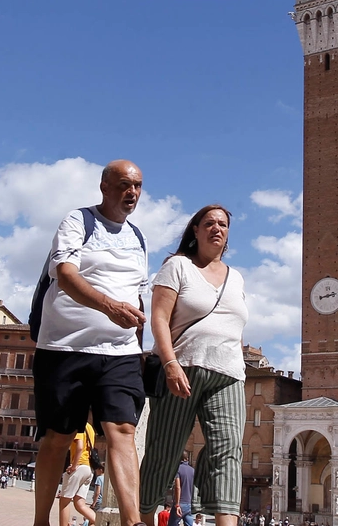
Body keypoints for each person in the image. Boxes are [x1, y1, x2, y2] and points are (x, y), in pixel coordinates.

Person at [32, 161, 148, 526]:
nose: (132, 192)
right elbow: (64, 274)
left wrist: (142, 345)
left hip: (121, 351)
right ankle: (41, 522)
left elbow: (139, 295)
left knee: (123, 430)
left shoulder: (139, 238)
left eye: (138, 186)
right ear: (104, 186)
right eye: (124, 184)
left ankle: (131, 521)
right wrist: (109, 306)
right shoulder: (77, 221)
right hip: (66, 348)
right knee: (58, 436)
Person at [140, 206, 248, 526]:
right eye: (210, 223)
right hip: (183, 367)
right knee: (164, 453)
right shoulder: (178, 266)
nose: (217, 228)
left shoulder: (237, 277)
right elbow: (159, 318)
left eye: (223, 225)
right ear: (196, 230)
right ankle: (144, 519)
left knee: (227, 453)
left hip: (229, 374)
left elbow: (234, 325)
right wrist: (170, 363)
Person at [59, 426, 96, 526]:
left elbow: (80, 446)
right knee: (80, 504)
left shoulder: (78, 424)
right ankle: (99, 522)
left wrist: (74, 466)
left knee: (64, 501)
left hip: (79, 466)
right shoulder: (90, 428)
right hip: (89, 468)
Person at [170, 454, 195, 526]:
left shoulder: (178, 469)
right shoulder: (193, 470)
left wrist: (177, 504)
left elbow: (178, 487)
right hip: (189, 503)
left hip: (180, 503)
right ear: (187, 458)